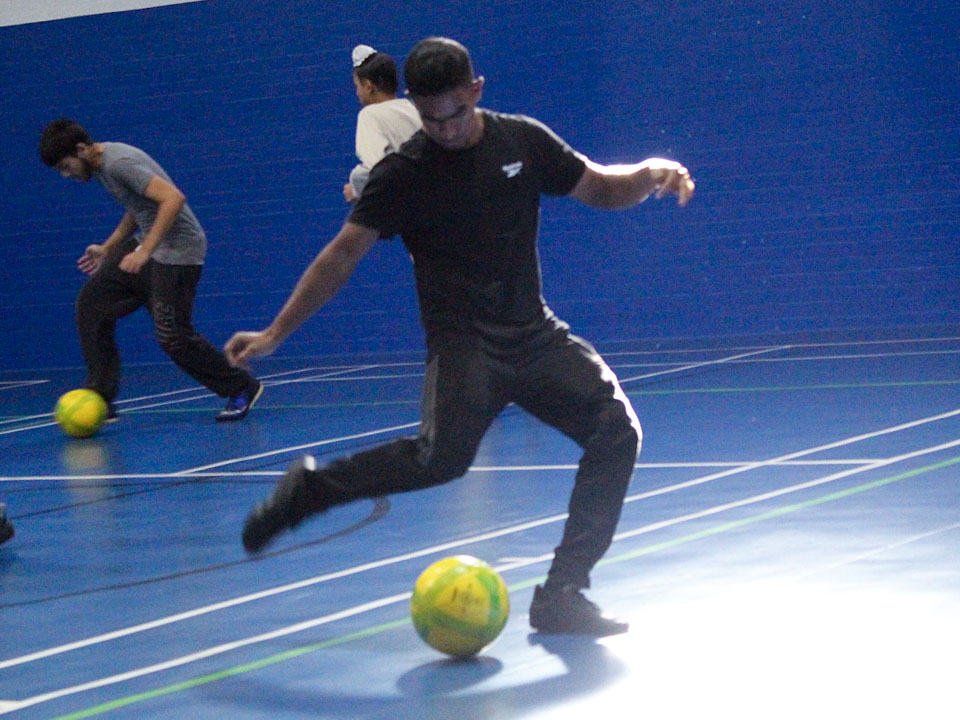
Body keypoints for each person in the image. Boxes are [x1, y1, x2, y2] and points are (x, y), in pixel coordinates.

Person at [226, 37, 694, 636]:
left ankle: (562, 594)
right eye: (430, 118)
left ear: (476, 90)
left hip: (534, 332)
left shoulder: (521, 140)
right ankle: (311, 491)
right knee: (441, 461)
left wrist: (653, 170)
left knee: (617, 432)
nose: (445, 130)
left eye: (455, 113)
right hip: (465, 346)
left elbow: (601, 186)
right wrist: (275, 331)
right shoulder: (405, 173)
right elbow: (342, 254)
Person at [39, 120, 262, 422]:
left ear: (81, 150)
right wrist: (108, 248)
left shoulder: (120, 163)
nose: (67, 175)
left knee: (173, 337)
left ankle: (241, 387)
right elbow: (138, 206)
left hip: (179, 252)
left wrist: (144, 252)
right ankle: (100, 397)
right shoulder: (102, 166)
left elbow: (173, 198)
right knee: (92, 304)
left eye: (67, 166)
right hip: (148, 247)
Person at [343, 44, 422, 203]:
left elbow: (377, 168)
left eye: (357, 86)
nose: (357, 93)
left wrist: (358, 192)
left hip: (407, 203)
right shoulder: (413, 109)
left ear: (368, 86)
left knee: (358, 176)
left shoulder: (369, 115)